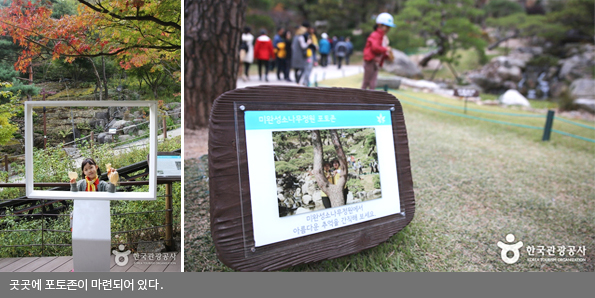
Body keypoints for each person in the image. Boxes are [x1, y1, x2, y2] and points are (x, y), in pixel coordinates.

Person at [361, 12, 395, 90]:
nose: (388, 29)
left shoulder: (383, 37)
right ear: (380, 25)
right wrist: (386, 49)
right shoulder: (376, 35)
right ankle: (360, 100)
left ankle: (371, 101)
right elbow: (375, 48)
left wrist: (387, 56)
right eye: (387, 27)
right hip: (370, 61)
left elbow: (380, 51)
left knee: (373, 83)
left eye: (389, 27)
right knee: (366, 82)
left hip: (376, 63)